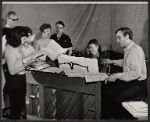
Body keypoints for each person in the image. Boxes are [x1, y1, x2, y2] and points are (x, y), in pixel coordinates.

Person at [102, 27, 147, 119]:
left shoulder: (136, 50)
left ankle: (119, 118)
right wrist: (111, 61)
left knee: (117, 99)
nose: (117, 40)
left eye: (119, 38)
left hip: (138, 84)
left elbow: (136, 73)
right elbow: (126, 62)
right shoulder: (129, 49)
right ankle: (109, 117)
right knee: (108, 92)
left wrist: (117, 75)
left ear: (126, 36)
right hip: (130, 82)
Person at [3, 26, 36, 119]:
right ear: (18, 36)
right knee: (16, 106)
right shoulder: (10, 49)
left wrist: (33, 56)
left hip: (21, 78)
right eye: (24, 38)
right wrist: (28, 62)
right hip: (15, 80)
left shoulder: (18, 46)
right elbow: (12, 71)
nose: (25, 40)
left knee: (20, 104)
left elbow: (20, 61)